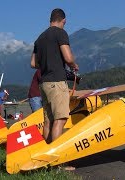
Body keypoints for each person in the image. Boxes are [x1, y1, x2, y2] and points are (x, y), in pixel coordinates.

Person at [31, 8, 79, 145]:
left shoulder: (39, 39)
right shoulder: (60, 33)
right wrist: (74, 65)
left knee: (48, 121)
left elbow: (33, 63)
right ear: (64, 20)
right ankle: (58, 161)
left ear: (50, 20)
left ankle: (47, 155)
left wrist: (47, 62)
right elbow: (68, 58)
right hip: (57, 82)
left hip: (44, 84)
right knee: (61, 119)